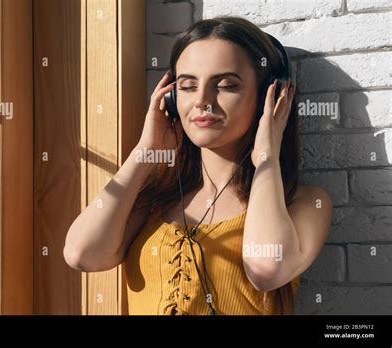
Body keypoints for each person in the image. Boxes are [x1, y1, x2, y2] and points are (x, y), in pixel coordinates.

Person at [64, 16, 333, 315]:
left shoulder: (305, 202)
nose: (203, 101)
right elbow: (81, 254)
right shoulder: (152, 201)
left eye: (227, 85)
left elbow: (266, 269)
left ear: (269, 98)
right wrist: (145, 150)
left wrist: (267, 156)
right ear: (171, 98)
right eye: (188, 86)